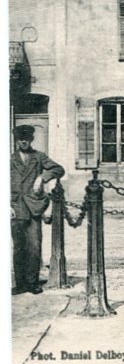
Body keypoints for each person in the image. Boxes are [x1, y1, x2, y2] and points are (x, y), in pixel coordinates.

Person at [11, 124, 65, 294]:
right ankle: (19, 283)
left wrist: (42, 177)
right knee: (19, 247)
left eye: (26, 139)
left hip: (34, 207)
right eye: (20, 139)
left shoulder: (39, 157)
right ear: (16, 140)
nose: (23, 142)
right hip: (15, 208)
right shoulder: (8, 159)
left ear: (31, 140)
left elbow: (59, 169)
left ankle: (32, 282)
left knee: (34, 246)